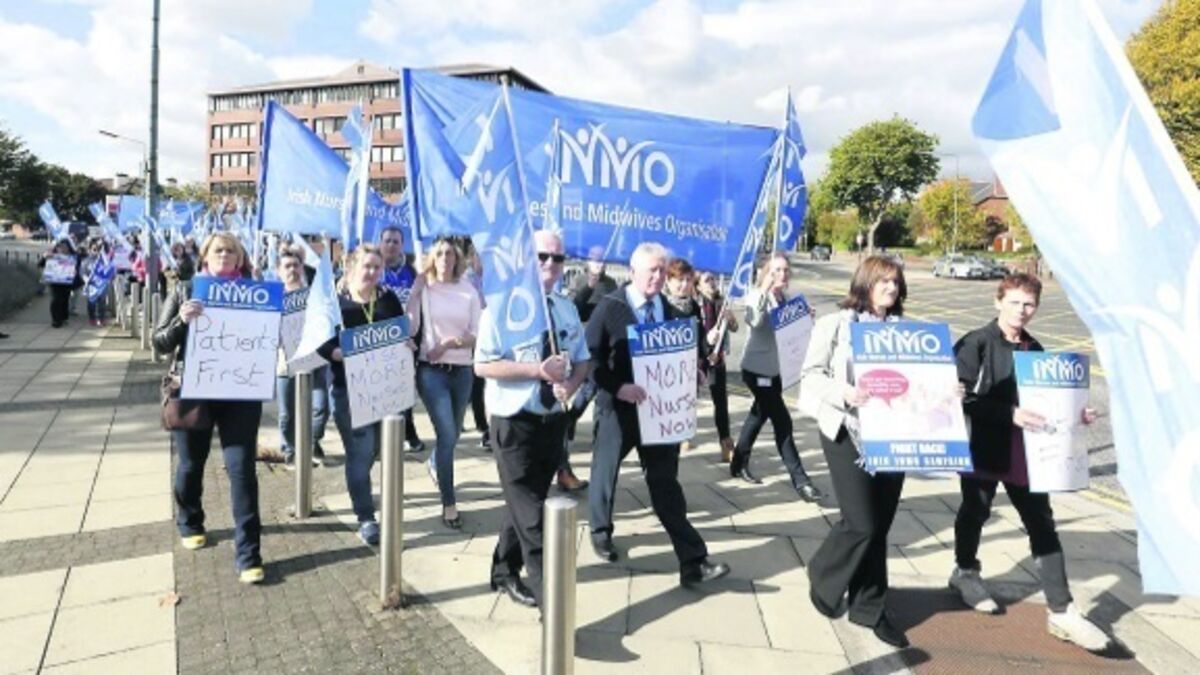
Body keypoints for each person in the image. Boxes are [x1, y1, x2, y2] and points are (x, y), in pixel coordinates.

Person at [949, 273, 1111, 652]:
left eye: (1029, 304)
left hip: (1028, 453)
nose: (1022, 311)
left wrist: (1075, 413)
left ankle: (1062, 610)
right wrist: (1009, 414)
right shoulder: (976, 343)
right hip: (984, 447)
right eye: (1015, 302)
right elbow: (959, 398)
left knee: (1041, 522)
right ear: (998, 302)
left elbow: (1046, 399)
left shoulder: (1035, 348)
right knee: (975, 511)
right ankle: (965, 571)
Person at [586, 242, 730, 587]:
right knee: (605, 472)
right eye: (652, 270)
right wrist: (618, 387)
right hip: (618, 409)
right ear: (632, 271)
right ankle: (600, 532)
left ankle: (693, 561)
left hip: (658, 413)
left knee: (665, 483)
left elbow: (686, 356)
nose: (658, 276)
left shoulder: (672, 312)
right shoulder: (610, 307)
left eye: (662, 270)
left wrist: (692, 372)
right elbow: (588, 360)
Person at [476, 230, 591, 610]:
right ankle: (553, 605)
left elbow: (582, 359)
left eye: (558, 258)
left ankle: (503, 570)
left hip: (552, 422)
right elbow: (483, 364)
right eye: (542, 256)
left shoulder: (566, 308)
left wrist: (570, 384)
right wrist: (537, 371)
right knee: (533, 520)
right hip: (514, 423)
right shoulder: (501, 307)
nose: (550, 264)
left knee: (525, 502)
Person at [800, 255, 909, 648]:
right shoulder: (835, 324)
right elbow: (810, 376)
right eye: (883, 281)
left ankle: (869, 608)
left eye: (895, 282)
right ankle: (824, 575)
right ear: (865, 283)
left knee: (879, 526)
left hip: (894, 435)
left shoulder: (905, 332)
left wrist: (947, 389)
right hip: (847, 431)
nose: (891, 288)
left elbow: (919, 382)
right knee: (860, 522)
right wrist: (844, 392)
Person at [153, 232, 265, 584]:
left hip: (240, 392)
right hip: (194, 391)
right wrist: (181, 321)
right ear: (205, 255)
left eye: (232, 250)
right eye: (219, 249)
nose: (225, 255)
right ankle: (190, 520)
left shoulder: (255, 293)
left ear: (240, 258)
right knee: (191, 464)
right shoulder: (186, 289)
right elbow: (159, 341)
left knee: (242, 470)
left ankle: (249, 554)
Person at [317, 244, 408, 546]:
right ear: (351, 267)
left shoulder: (388, 299)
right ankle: (366, 517)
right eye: (366, 266)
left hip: (385, 389)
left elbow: (402, 331)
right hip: (347, 390)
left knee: (377, 449)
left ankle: (360, 490)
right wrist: (336, 353)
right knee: (359, 452)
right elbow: (319, 341)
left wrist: (407, 344)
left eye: (376, 267)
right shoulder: (334, 303)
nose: (372, 272)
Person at [730, 253, 823, 502]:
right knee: (783, 422)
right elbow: (755, 321)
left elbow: (796, 333)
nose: (782, 275)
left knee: (758, 416)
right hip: (757, 369)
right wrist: (764, 291)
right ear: (766, 273)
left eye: (785, 270)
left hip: (778, 370)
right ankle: (801, 481)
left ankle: (738, 461)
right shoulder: (756, 296)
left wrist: (806, 317)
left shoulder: (789, 299)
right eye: (776, 270)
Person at [407, 236, 482, 529]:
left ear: (457, 258)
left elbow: (476, 333)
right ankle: (449, 503)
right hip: (431, 371)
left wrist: (452, 343)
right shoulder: (425, 288)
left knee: (453, 435)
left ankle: (435, 462)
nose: (444, 258)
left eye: (449, 253)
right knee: (447, 434)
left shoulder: (468, 290)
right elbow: (411, 327)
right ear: (432, 258)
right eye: (439, 253)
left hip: (462, 370)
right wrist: (414, 293)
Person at [274, 246, 331, 470]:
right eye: (287, 266)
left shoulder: (314, 297)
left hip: (315, 361)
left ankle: (312, 442)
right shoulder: (274, 299)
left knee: (321, 408)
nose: (292, 270)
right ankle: (289, 451)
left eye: (296, 265)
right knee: (287, 414)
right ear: (279, 271)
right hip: (285, 364)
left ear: (302, 268)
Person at [377, 225, 426, 454]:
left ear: (402, 245)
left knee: (404, 387)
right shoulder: (374, 270)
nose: (391, 245)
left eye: (395, 241)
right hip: (379, 340)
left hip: (408, 339)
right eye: (387, 240)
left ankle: (408, 432)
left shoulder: (412, 272)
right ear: (380, 243)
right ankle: (381, 435)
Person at [696, 270, 738, 462]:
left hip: (717, 357)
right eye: (707, 280)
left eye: (713, 279)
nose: (712, 283)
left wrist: (730, 318)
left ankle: (725, 442)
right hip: (699, 357)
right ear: (699, 285)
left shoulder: (722, 302)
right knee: (688, 397)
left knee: (720, 401)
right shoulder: (696, 305)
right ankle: (682, 436)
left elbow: (735, 328)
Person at [42, 239, 81, 328]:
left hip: (66, 282)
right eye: (60, 247)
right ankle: (56, 320)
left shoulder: (72, 257)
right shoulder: (51, 255)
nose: (62, 249)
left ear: (69, 248)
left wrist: (74, 270)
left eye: (65, 247)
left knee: (64, 299)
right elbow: (41, 264)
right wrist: (44, 257)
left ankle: (63, 317)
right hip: (54, 282)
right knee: (55, 300)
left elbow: (77, 265)